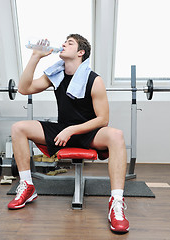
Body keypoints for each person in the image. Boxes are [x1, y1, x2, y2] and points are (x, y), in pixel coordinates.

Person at [7, 34, 129, 233]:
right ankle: (27, 186)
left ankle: (116, 203)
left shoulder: (94, 80)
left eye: (69, 43)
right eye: (64, 42)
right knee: (18, 128)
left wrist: (71, 130)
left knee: (116, 134)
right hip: (63, 128)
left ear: (80, 52)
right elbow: (23, 88)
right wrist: (36, 56)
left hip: (89, 131)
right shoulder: (56, 74)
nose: (63, 44)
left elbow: (102, 119)